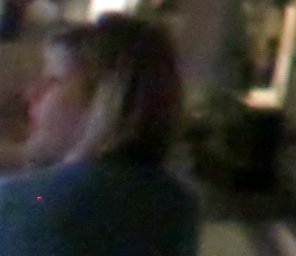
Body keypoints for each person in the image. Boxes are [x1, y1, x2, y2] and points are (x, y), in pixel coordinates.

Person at [0, 15, 200, 255]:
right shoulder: (176, 205)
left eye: (54, 80)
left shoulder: (32, 203)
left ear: (104, 101)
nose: (32, 95)